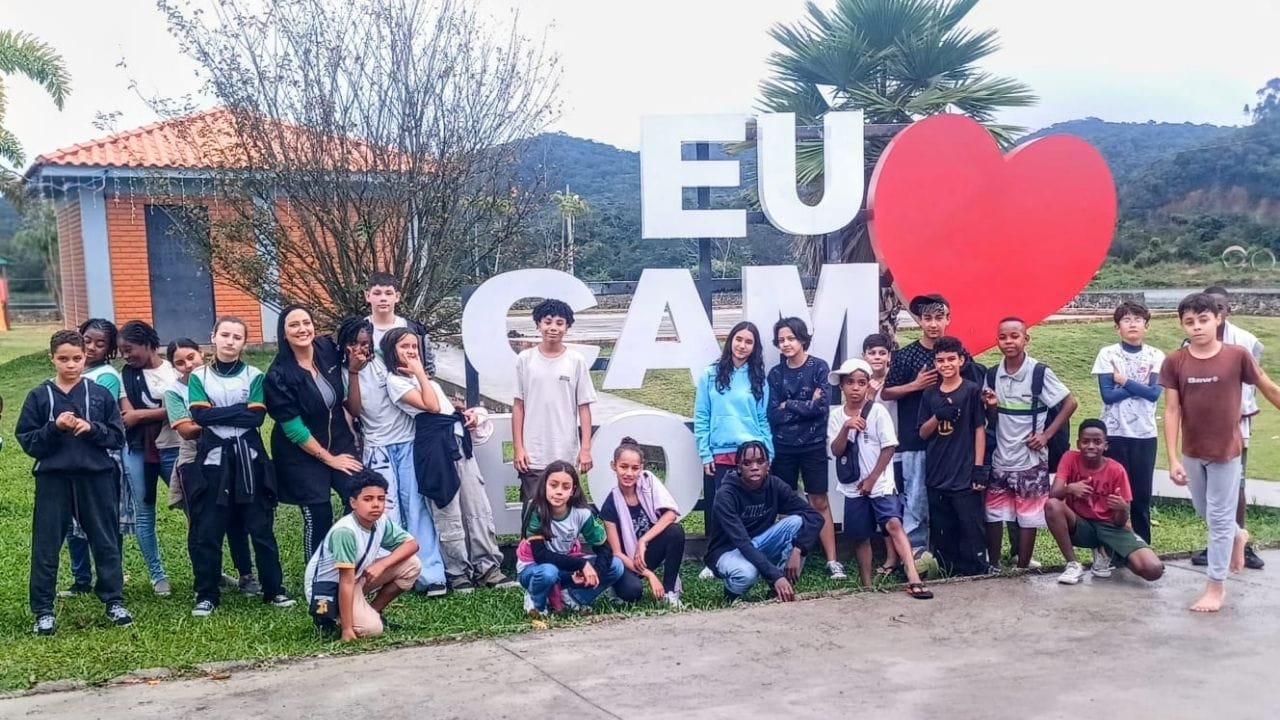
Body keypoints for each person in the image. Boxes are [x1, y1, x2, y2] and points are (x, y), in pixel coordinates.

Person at [1162, 292, 1280, 612]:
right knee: (1207, 513)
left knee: (1217, 517)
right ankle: (1238, 535)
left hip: (1227, 451)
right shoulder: (1175, 361)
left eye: (1203, 320)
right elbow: (1172, 411)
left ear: (1218, 319)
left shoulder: (1237, 355)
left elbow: (1268, 387)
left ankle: (1215, 586)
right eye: (1190, 322)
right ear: (1182, 325)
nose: (1197, 327)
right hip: (1192, 452)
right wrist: (1172, 458)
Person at [17, 330, 133, 635]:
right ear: (51, 358)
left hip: (95, 476)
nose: (71, 365)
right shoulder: (39, 396)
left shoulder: (99, 394)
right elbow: (28, 441)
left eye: (77, 359)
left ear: (86, 357)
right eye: (63, 359)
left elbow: (117, 436)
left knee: (105, 540)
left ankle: (113, 601)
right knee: (46, 545)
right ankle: (43, 610)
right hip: (53, 478)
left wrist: (91, 428)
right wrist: (55, 428)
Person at [384, 327, 515, 593]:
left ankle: (488, 567)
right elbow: (431, 407)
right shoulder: (396, 381)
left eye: (413, 346)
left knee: (476, 506)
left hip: (456, 442)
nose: (411, 352)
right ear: (391, 352)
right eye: (404, 347)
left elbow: (442, 407)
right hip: (434, 448)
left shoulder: (428, 381)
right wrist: (420, 373)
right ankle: (458, 573)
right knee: (447, 509)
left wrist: (464, 414)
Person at [187, 316, 293, 615]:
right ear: (214, 337)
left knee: (261, 528)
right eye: (225, 335)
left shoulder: (254, 375)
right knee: (209, 530)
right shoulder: (199, 377)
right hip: (213, 461)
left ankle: (274, 590)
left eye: (237, 336)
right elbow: (199, 416)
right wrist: (238, 411)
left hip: (250, 460)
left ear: (244, 342)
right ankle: (206, 594)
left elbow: (257, 417)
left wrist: (218, 412)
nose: (230, 341)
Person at [338, 316, 447, 596]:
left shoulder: (385, 362)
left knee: (417, 507)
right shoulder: (343, 371)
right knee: (387, 511)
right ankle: (391, 574)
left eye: (366, 343)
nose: (361, 349)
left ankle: (430, 574)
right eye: (355, 344)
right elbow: (355, 408)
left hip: (408, 441)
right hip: (377, 446)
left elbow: (418, 387)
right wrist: (352, 372)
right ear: (346, 346)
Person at [883, 294, 980, 556]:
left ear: (948, 319)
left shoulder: (959, 354)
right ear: (919, 321)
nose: (933, 324)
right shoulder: (906, 356)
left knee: (949, 500)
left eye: (939, 318)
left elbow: (973, 390)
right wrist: (914, 386)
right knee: (915, 499)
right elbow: (886, 392)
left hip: (954, 444)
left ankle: (949, 554)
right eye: (927, 318)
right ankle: (916, 557)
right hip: (917, 440)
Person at [265, 304, 363, 562]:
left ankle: (348, 561)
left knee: (358, 496)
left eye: (306, 322)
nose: (302, 329)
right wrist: (330, 460)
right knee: (318, 512)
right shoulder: (278, 375)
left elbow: (357, 344)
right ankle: (317, 574)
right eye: (294, 325)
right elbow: (294, 430)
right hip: (300, 453)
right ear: (283, 334)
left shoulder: (326, 349)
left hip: (339, 439)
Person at [827, 359, 932, 598]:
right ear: (842, 386)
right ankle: (866, 584)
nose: (855, 388)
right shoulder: (836, 416)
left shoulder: (878, 411)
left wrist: (873, 479)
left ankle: (913, 575)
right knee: (860, 535)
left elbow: (889, 447)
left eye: (861, 383)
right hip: (852, 485)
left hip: (880, 482)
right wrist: (846, 427)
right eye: (850, 383)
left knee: (893, 524)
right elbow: (836, 450)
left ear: (867, 387)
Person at [164, 337, 259, 595]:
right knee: (201, 523)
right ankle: (207, 578)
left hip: (232, 453)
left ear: (202, 354)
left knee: (237, 518)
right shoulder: (174, 391)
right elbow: (186, 430)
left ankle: (246, 575)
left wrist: (210, 417)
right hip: (193, 458)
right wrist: (234, 413)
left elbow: (255, 416)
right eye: (179, 362)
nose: (187, 365)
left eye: (191, 357)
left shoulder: (215, 379)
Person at [980, 317, 1077, 569]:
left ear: (1026, 339)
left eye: (1015, 336)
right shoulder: (992, 374)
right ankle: (993, 563)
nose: (1009, 342)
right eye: (1003, 337)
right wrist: (990, 407)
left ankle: (1022, 566)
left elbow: (1070, 403)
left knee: (1028, 516)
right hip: (1001, 458)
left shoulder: (1039, 373)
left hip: (1031, 460)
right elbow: (992, 418)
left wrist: (1046, 435)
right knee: (994, 513)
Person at [1190, 286, 1266, 570]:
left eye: (1219, 308)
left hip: (1235, 423)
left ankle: (1240, 545)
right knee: (1206, 490)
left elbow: (1258, 381)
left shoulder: (1246, 342)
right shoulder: (1191, 343)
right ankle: (1221, 540)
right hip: (1200, 427)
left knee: (1237, 483)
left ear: (1225, 312)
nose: (1215, 313)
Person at [304, 469, 421, 641]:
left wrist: (382, 564)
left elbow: (412, 545)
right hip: (329, 589)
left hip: (356, 578)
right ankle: (332, 620)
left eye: (381, 499)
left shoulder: (380, 520)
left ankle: (373, 611)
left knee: (412, 564)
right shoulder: (345, 532)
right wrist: (347, 630)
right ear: (353, 502)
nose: (376, 505)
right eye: (368, 499)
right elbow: (345, 581)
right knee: (372, 630)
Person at [766, 317, 842, 580]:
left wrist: (789, 404)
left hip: (813, 446)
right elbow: (773, 414)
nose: (786, 344)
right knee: (784, 503)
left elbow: (821, 409)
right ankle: (787, 557)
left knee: (819, 500)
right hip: (784, 447)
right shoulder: (776, 374)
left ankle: (832, 560)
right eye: (781, 340)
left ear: (802, 339)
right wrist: (801, 406)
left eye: (791, 338)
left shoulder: (819, 367)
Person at [695, 321, 773, 577]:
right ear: (730, 341)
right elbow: (702, 415)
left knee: (750, 507)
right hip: (722, 451)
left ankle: (749, 556)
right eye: (738, 339)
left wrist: (768, 453)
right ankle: (714, 559)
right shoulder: (710, 374)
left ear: (754, 347)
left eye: (748, 342)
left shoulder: (758, 377)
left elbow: (761, 419)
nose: (742, 345)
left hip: (752, 453)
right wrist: (705, 452)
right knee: (722, 506)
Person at [1048, 419, 1165, 585]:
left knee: (1153, 570)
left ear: (1106, 445)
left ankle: (1107, 551)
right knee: (1052, 505)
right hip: (1081, 525)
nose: (1091, 446)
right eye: (1085, 441)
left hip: (1111, 527)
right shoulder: (1069, 458)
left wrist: (1123, 508)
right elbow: (1054, 494)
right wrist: (1070, 489)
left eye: (1097, 442)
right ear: (1078, 443)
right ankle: (1073, 565)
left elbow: (1120, 522)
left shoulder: (1116, 470)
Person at [62, 318, 131, 597]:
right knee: (72, 520)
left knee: (104, 521)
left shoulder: (107, 377)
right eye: (87, 340)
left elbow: (96, 415)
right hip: (69, 457)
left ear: (110, 349)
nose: (91, 347)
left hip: (101, 457)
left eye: (100, 344)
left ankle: (109, 578)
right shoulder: (71, 371)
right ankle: (80, 579)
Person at [705, 441, 822, 602]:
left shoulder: (775, 485)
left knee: (796, 521)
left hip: (761, 543)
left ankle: (779, 591)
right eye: (747, 463)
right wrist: (775, 576)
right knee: (747, 573)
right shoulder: (726, 495)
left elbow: (814, 517)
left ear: (768, 465)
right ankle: (731, 595)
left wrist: (798, 549)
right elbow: (743, 543)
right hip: (729, 551)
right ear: (738, 467)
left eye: (760, 462)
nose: (754, 467)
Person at [511, 298, 598, 513]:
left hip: (565, 451)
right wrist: (519, 448)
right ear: (538, 324)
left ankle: (568, 548)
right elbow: (518, 406)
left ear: (567, 327)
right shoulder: (525, 359)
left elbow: (584, 407)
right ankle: (532, 548)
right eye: (547, 322)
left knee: (568, 512)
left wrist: (585, 448)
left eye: (560, 323)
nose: (553, 328)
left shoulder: (576, 361)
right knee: (534, 513)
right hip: (534, 454)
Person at [1090, 301, 1163, 545]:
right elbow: (1107, 396)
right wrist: (1138, 386)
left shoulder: (1156, 355)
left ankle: (1143, 548)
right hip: (1114, 432)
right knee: (1114, 495)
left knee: (1141, 496)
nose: (1132, 324)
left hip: (1144, 434)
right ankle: (1113, 549)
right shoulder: (1107, 354)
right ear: (1117, 327)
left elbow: (1154, 394)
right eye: (1126, 320)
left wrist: (1124, 381)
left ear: (1147, 326)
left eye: (1138, 319)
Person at [118, 319, 181, 596]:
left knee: (193, 508)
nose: (126, 355)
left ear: (147, 343)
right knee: (144, 512)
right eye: (121, 350)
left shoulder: (173, 370)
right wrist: (160, 412)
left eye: (130, 348)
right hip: (137, 449)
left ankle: (209, 568)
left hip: (173, 447)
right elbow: (126, 417)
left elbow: (182, 408)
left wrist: (143, 415)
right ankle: (158, 575)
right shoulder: (126, 375)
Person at [918, 336, 990, 577]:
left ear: (961, 360)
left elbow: (979, 429)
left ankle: (976, 571)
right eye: (940, 360)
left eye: (951, 359)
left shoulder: (971, 390)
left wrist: (979, 467)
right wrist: (938, 416)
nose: (946, 364)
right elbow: (923, 432)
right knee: (943, 529)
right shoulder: (929, 394)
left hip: (964, 471)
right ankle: (948, 571)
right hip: (937, 471)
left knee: (970, 527)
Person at [517, 460, 625, 617]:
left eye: (565, 487)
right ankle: (536, 601)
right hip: (534, 567)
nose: (559, 491)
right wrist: (582, 564)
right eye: (553, 485)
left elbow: (604, 549)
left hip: (565, 565)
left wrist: (595, 574)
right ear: (544, 485)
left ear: (573, 490)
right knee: (548, 572)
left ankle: (573, 597)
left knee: (616, 566)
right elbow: (541, 556)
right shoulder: (536, 510)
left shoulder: (582, 513)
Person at [600, 437, 686, 608]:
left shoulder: (648, 482)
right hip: (627, 561)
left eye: (634, 468)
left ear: (642, 468)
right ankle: (617, 587)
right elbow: (617, 553)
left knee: (675, 531)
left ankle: (670, 593)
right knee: (633, 592)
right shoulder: (610, 505)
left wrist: (643, 540)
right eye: (623, 467)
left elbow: (670, 514)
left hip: (646, 552)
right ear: (613, 466)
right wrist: (650, 575)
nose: (629, 473)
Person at [862, 332, 902, 574]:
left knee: (897, 505)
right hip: (872, 454)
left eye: (881, 353)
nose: (877, 357)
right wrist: (868, 395)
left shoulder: (897, 380)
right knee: (883, 506)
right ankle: (890, 558)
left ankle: (905, 554)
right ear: (864, 356)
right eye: (872, 353)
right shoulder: (860, 382)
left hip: (897, 451)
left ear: (889, 357)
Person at [365, 271, 435, 373]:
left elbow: (429, 370)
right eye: (377, 293)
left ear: (397, 297)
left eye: (388, 293)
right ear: (367, 296)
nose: (383, 298)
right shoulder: (357, 330)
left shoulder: (415, 331)